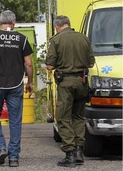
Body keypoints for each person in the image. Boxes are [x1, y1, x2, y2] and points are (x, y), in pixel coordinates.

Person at [0, 10, 33, 167]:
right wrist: (30, 82)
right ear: (14, 23)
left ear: (0, 23)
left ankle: (1, 148)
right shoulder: (22, 39)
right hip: (15, 84)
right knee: (15, 120)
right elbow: (28, 63)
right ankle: (14, 157)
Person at [45, 15, 95, 167]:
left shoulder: (56, 40)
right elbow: (91, 63)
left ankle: (70, 154)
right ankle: (79, 150)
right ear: (69, 24)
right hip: (82, 82)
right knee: (79, 116)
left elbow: (49, 66)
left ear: (57, 27)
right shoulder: (83, 38)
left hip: (65, 83)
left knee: (63, 117)